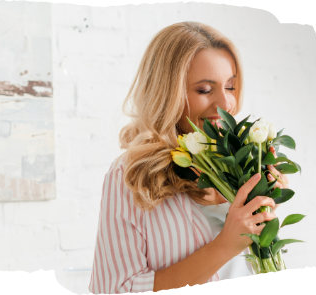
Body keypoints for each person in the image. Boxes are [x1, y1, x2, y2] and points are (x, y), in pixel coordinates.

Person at [88, 21, 290, 294]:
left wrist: (266, 204)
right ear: (167, 93)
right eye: (204, 90)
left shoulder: (244, 161)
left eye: (230, 87)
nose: (226, 104)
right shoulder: (131, 176)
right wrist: (225, 245)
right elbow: (114, 290)